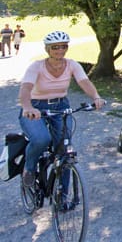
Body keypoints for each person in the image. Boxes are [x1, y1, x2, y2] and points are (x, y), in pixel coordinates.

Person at [18, 31, 106, 187]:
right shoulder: (36, 66)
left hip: (61, 106)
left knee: (65, 150)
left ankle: (63, 197)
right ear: (48, 49)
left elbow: (84, 82)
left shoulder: (72, 64)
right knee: (41, 139)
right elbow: (25, 89)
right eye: (55, 47)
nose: (60, 50)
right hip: (36, 107)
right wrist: (27, 107)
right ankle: (29, 168)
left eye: (63, 46)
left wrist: (96, 97)